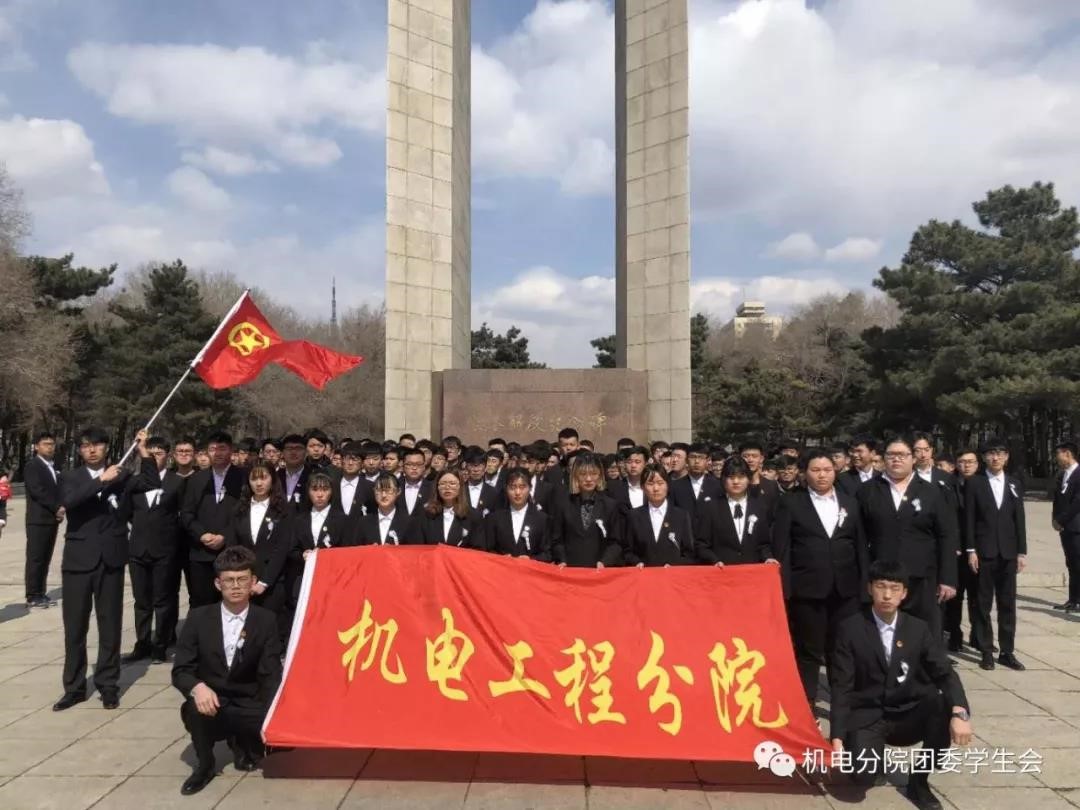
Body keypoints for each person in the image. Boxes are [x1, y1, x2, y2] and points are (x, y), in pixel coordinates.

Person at [829, 560, 972, 810]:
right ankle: (871, 757)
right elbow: (842, 686)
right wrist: (837, 737)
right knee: (861, 777)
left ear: (904, 593)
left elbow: (945, 673)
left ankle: (919, 782)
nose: (887, 595)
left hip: (908, 713)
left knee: (941, 705)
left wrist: (960, 712)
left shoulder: (917, 628)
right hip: (868, 714)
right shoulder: (850, 628)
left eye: (894, 588)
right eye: (881, 587)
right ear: (869, 588)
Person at [172, 546, 283, 795]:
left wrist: (273, 713)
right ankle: (205, 765)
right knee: (193, 708)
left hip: (248, 701)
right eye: (229, 580)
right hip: (213, 701)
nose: (235, 586)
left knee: (283, 738)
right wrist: (197, 687)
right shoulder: (198, 618)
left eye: (242, 579)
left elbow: (270, 672)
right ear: (217, 583)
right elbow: (181, 669)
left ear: (253, 582)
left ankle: (245, 743)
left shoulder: (266, 620)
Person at [771, 449, 868, 706]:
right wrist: (785, 590)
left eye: (827, 470)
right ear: (805, 473)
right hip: (807, 590)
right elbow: (782, 548)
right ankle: (807, 705)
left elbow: (860, 547)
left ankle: (843, 705)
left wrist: (863, 587)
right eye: (815, 470)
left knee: (842, 650)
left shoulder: (850, 502)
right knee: (809, 651)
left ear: (835, 471)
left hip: (845, 590)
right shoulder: (791, 502)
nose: (822, 475)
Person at [54, 427, 136, 711]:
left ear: (106, 448)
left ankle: (108, 684)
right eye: (86, 446)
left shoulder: (122, 474)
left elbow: (149, 483)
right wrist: (101, 480)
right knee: (75, 627)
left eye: (97, 445)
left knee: (110, 625)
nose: (91, 450)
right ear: (79, 450)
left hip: (111, 559)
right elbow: (69, 501)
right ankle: (74, 688)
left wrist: (144, 451)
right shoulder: (69, 477)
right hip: (78, 560)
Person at [857, 436, 958, 638]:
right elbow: (859, 537)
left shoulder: (932, 492)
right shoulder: (867, 491)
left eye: (902, 455)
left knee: (924, 634)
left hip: (922, 578)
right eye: (891, 455)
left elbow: (946, 536)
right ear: (883, 458)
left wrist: (948, 579)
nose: (897, 459)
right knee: (882, 635)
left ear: (913, 458)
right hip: (882, 577)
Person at [964, 437, 1026, 670]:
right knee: (982, 603)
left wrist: (1022, 552)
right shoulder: (975, 483)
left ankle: (1007, 651)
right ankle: (986, 650)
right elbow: (969, 518)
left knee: (1007, 603)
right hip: (984, 551)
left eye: (1000, 453)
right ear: (984, 457)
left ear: (1007, 457)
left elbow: (1019, 519)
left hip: (1008, 553)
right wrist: (971, 550)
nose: (996, 457)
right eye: (991, 453)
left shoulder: (1014, 483)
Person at [123, 433, 186, 664]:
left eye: (159, 453)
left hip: (165, 551)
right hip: (138, 550)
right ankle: (142, 643)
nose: (154, 457)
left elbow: (183, 515)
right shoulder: (135, 482)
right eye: (150, 453)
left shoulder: (177, 482)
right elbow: (127, 513)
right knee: (142, 601)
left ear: (167, 456)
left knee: (162, 600)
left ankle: (160, 644)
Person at [225, 461, 292, 645]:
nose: (259, 483)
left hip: (271, 581)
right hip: (244, 579)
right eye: (254, 479)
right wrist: (241, 578)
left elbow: (282, 548)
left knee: (270, 631)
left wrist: (264, 582)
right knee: (246, 632)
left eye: (264, 478)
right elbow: (232, 545)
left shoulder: (283, 510)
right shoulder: (239, 509)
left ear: (272, 479)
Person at [180, 432, 246, 608]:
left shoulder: (244, 477)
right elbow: (186, 513)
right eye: (212, 449)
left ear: (231, 450)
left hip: (232, 551)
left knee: (232, 602)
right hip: (201, 552)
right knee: (201, 603)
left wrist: (225, 536)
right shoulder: (196, 479)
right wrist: (201, 534)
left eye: (222, 448)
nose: (217, 453)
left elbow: (245, 513)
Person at [694, 456, 776, 567]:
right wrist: (714, 560)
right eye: (731, 477)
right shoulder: (711, 507)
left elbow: (763, 544)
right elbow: (701, 545)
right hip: (722, 570)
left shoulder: (759, 507)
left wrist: (768, 557)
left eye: (741, 477)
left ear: (748, 479)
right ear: (723, 480)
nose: (736, 481)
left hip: (751, 571)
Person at [551, 454, 623, 569]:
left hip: (599, 570)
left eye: (593, 474)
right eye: (583, 474)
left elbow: (616, 542)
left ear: (600, 476)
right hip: (571, 569)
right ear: (575, 476)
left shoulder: (610, 505)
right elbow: (557, 540)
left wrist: (605, 561)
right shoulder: (563, 504)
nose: (588, 479)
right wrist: (562, 559)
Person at [23, 430, 64, 608]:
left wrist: (62, 506)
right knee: (36, 557)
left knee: (46, 557)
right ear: (36, 447)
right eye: (46, 444)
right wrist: (56, 507)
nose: (50, 447)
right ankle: (32, 595)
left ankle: (41, 592)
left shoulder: (53, 467)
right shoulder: (33, 466)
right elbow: (37, 491)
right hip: (38, 519)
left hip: (52, 519)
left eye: (52, 444)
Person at [945, 449, 981, 651]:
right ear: (956, 464)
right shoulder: (948, 484)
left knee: (977, 595)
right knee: (955, 596)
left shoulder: (984, 484)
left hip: (978, 549)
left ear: (977, 464)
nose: (966, 466)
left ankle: (978, 635)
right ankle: (954, 634)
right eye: (962, 462)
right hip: (956, 549)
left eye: (970, 462)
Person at [624, 466, 695, 567]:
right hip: (643, 574)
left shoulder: (681, 516)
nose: (656, 488)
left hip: (672, 574)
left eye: (660, 483)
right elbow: (628, 551)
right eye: (650, 484)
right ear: (643, 487)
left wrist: (675, 564)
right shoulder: (634, 516)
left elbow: (689, 554)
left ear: (667, 485)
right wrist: (636, 562)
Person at [485, 469, 552, 560]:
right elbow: (488, 550)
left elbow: (547, 554)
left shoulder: (541, 519)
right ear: (506, 489)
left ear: (530, 488)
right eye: (513, 487)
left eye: (522, 487)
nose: (517, 492)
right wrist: (500, 559)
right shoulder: (495, 518)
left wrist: (531, 560)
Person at [420, 469, 484, 548]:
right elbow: (418, 547)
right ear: (437, 487)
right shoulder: (426, 514)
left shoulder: (473, 516)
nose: (447, 487)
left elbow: (478, 548)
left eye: (452, 483)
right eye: (443, 483)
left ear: (460, 487)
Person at [1051, 440, 1080, 611]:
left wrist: (1061, 520)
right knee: (1071, 563)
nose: (1056, 458)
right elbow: (1058, 500)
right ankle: (1073, 599)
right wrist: (1055, 519)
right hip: (1065, 527)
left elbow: (1077, 502)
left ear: (1067, 454)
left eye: (1058, 454)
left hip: (1076, 527)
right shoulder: (1062, 474)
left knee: (1078, 563)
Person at [358, 473, 421, 545]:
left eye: (388, 490)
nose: (384, 495)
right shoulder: (363, 522)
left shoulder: (409, 522)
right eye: (379, 490)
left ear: (398, 491)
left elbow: (415, 549)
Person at [670, 442, 723, 520]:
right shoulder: (675, 486)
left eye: (701, 457)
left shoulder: (718, 486)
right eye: (693, 457)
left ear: (708, 461)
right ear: (687, 460)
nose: (697, 461)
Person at [462, 446, 503, 515]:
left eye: (480, 465)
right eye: (472, 465)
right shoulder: (459, 490)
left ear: (485, 467)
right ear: (466, 466)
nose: (476, 470)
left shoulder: (493, 493)